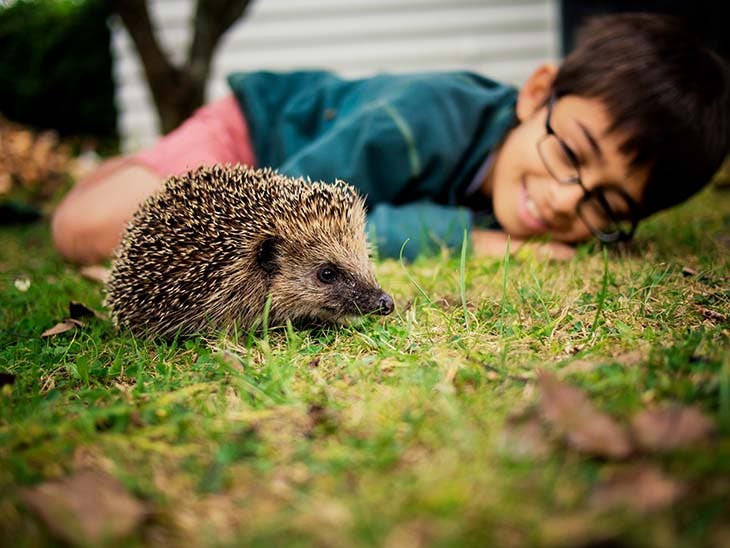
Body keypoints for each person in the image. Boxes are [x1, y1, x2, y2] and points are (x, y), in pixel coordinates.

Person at [52, 13, 730, 265]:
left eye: (608, 207)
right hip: (257, 140)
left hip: (301, 167)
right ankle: (113, 172)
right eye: (572, 154)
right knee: (92, 229)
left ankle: (134, 165)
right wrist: (465, 236)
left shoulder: (540, 184)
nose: (563, 203)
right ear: (536, 95)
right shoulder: (416, 119)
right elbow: (298, 226)